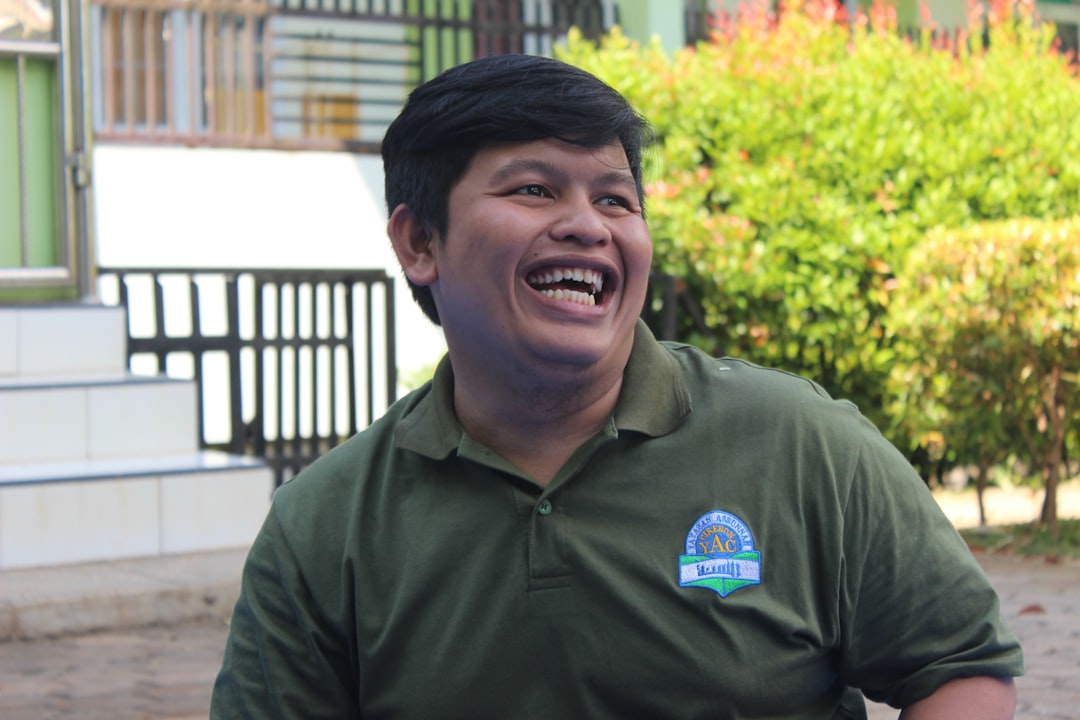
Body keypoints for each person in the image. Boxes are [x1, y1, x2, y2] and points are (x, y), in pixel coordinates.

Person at [211, 54, 1023, 719]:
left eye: (615, 198)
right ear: (419, 241)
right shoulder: (323, 525)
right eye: (534, 189)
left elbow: (962, 666)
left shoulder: (802, 441)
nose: (588, 224)